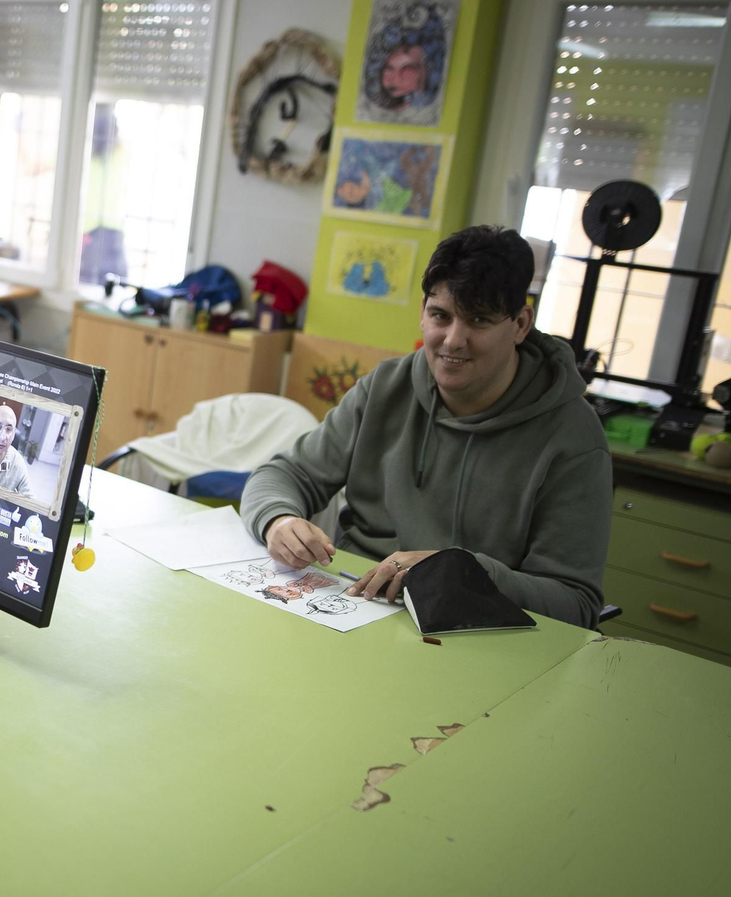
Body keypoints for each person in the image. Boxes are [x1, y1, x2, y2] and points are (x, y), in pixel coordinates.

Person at [239, 225, 611, 628]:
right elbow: (283, 474)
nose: (453, 340)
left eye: (479, 320)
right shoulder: (387, 386)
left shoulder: (573, 437)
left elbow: (575, 604)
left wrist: (463, 572)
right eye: (441, 316)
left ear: (520, 324)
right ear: (422, 313)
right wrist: (278, 520)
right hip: (348, 607)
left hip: (475, 636)